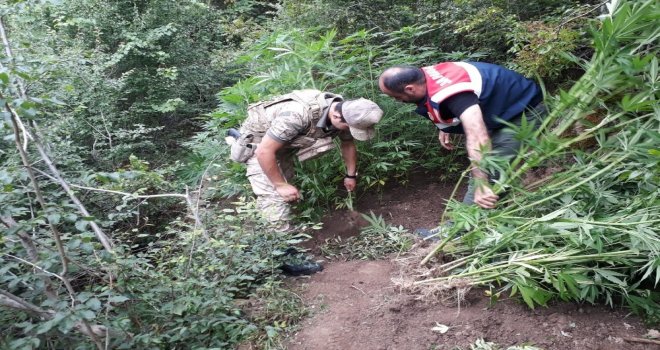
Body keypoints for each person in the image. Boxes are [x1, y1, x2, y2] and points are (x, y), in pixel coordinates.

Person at [229, 89, 383, 275]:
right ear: (336, 115)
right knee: (275, 198)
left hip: (283, 147)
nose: (349, 132)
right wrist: (280, 185)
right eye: (348, 128)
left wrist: (351, 175)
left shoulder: (347, 112)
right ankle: (284, 259)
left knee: (288, 199)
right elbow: (264, 152)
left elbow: (347, 143)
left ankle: (269, 241)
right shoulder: (296, 115)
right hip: (260, 147)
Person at [378, 62, 546, 210]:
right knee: (483, 170)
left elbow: (478, 137)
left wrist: (481, 183)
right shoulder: (427, 76)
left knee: (490, 171)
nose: (397, 101)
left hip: (521, 113)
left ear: (410, 89)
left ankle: (458, 233)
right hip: (501, 108)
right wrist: (445, 124)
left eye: (397, 97)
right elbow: (450, 102)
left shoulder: (452, 94)